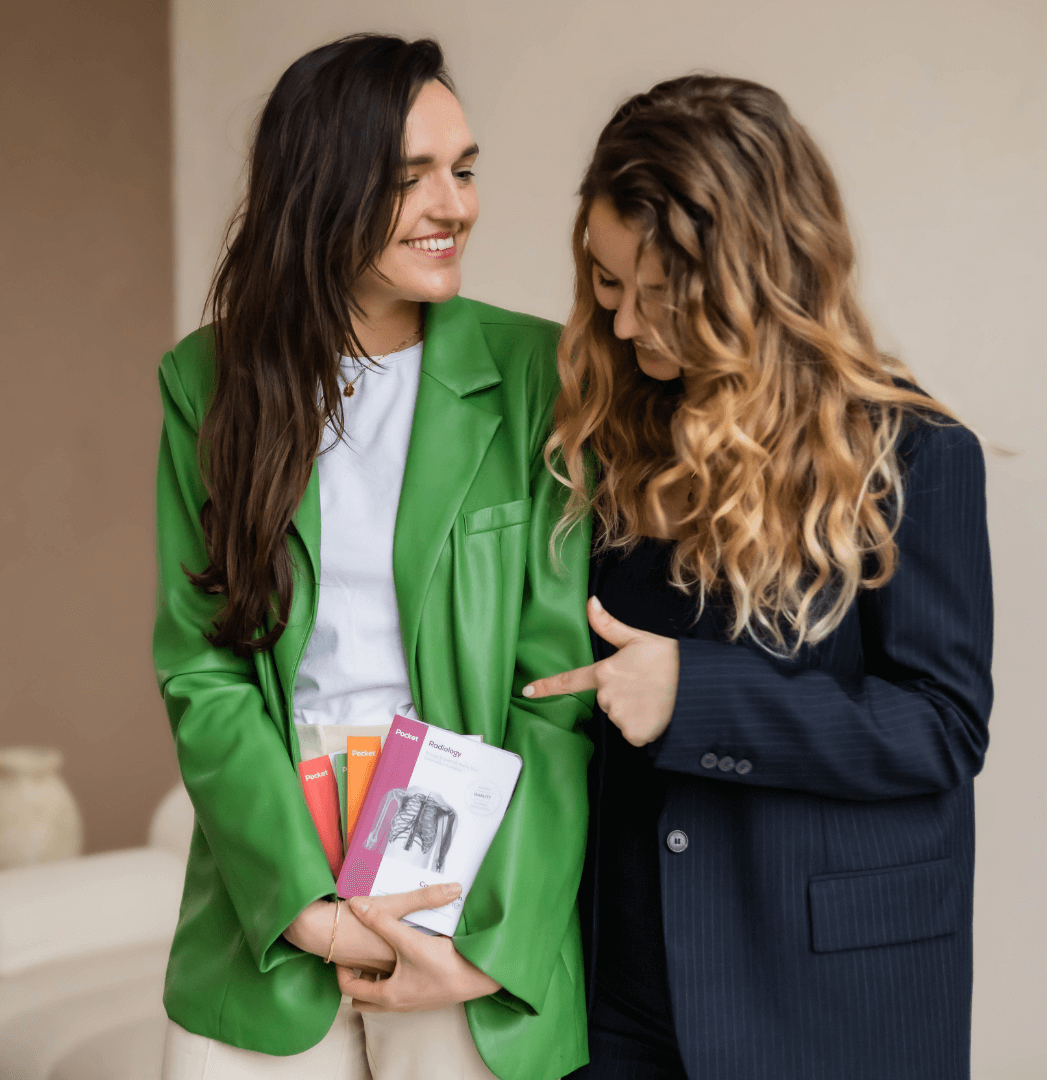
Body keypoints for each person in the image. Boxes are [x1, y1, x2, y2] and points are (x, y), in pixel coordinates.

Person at [524, 74, 992, 1080]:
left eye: (659, 298)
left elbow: (943, 727)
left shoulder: (911, 452)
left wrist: (698, 700)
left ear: (751, 284)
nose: (620, 326)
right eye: (607, 285)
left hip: (823, 999)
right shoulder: (608, 438)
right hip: (618, 992)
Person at [153, 35, 593, 1080]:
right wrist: (305, 906)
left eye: (465, 169)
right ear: (319, 192)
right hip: (270, 904)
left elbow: (560, 693)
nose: (456, 206)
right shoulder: (205, 384)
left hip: (469, 909)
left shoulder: (542, 372)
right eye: (410, 180)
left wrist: (492, 939)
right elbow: (201, 665)